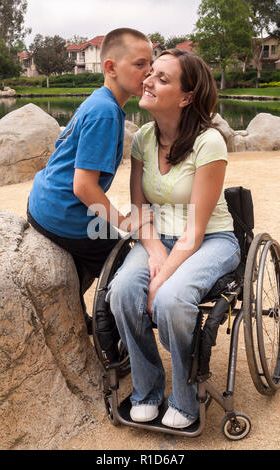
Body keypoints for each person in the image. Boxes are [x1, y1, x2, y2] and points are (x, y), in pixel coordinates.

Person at [106, 49, 241, 429]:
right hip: (157, 235)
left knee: (169, 300)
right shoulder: (143, 139)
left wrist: (161, 278)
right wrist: (153, 251)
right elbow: (140, 210)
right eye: (151, 74)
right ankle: (147, 390)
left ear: (185, 97)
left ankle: (184, 397)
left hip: (211, 239)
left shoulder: (209, 143)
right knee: (122, 293)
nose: (147, 80)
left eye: (162, 78)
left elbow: (195, 231)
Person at [27, 28, 153, 333]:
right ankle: (110, 334)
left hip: (42, 202)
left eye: (151, 64)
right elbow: (83, 186)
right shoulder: (107, 114)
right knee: (128, 261)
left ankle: (77, 309)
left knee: (106, 242)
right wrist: (122, 222)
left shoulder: (100, 102)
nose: (149, 72)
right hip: (63, 214)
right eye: (140, 65)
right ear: (110, 68)